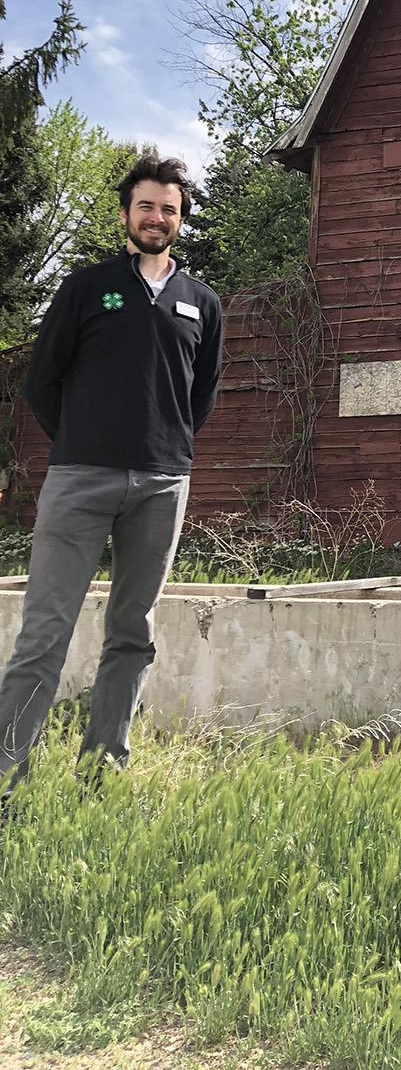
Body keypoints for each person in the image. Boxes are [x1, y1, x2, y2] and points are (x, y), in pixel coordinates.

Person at [0, 151, 223, 791]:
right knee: (45, 631)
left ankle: (102, 771)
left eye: (170, 209)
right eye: (147, 206)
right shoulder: (85, 285)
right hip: (80, 480)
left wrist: (165, 448)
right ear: (127, 213)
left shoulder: (201, 304)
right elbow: (42, 381)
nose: (157, 218)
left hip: (161, 486)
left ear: (181, 220)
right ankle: (8, 777)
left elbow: (199, 396)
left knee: (133, 631)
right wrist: (80, 441)